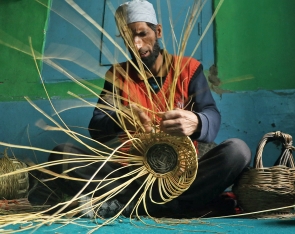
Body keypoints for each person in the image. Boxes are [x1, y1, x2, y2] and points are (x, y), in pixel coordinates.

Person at [47, 0, 251, 218]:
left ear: (159, 31)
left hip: (181, 176)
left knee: (237, 151)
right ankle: (179, 208)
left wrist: (197, 121)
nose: (136, 43)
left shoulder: (187, 69)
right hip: (130, 175)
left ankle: (128, 207)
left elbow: (211, 115)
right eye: (128, 37)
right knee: (62, 155)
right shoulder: (117, 76)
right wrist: (121, 118)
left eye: (142, 33)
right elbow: (97, 128)